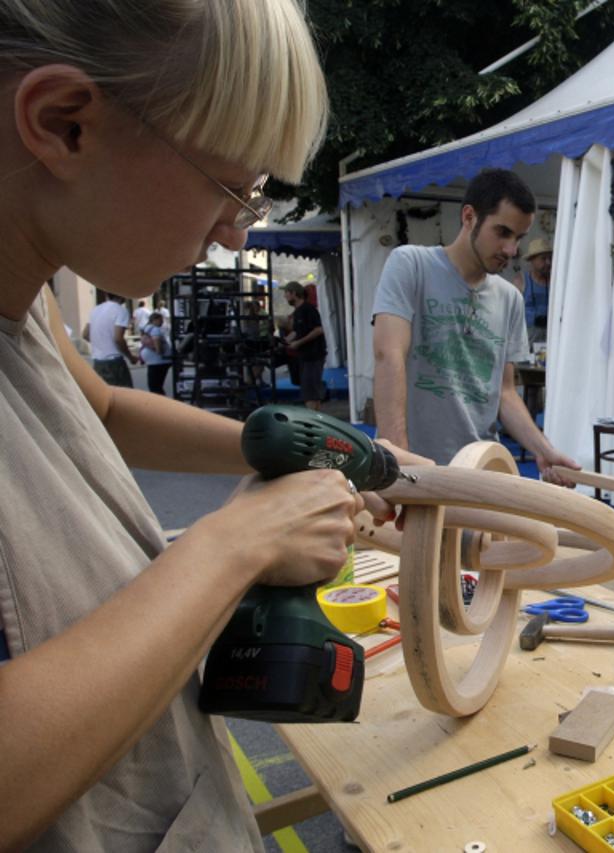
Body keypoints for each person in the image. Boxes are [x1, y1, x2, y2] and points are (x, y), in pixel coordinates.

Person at [0, 2, 429, 848]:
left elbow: (106, 408)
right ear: (65, 125)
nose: (237, 233)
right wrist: (237, 542)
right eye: (233, 188)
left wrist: (299, 447)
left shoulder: (31, 302)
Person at [372, 168, 579, 482]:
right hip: (415, 467)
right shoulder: (411, 265)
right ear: (469, 217)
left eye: (518, 238)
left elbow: (505, 394)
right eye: (503, 233)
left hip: (481, 470)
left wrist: (543, 449)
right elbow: (388, 356)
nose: (511, 250)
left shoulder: (510, 298)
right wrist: (394, 456)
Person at [282, 280, 326, 410]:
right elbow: (297, 332)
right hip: (305, 356)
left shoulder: (309, 309)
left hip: (313, 355)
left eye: (286, 293)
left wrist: (298, 343)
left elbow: (318, 330)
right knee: (310, 391)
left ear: (294, 293)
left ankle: (314, 421)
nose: (285, 297)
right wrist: (285, 341)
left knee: (310, 392)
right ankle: (316, 419)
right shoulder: (298, 312)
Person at [83, 291, 138, 386]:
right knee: (123, 396)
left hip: (98, 362)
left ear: (106, 295)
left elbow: (85, 334)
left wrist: (101, 343)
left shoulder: (95, 310)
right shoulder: (121, 310)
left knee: (104, 395)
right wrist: (131, 357)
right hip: (114, 362)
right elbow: (118, 338)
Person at [517, 236, 552, 345]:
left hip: (551, 336)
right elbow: (513, 312)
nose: (548, 262)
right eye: (543, 258)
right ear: (532, 260)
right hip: (529, 338)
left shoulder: (555, 282)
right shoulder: (521, 280)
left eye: (549, 258)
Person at [139, 310, 172, 395]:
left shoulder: (148, 328)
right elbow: (158, 347)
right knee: (156, 387)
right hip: (158, 361)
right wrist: (158, 350)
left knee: (155, 387)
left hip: (157, 362)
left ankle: (161, 404)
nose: (162, 322)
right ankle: (161, 404)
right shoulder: (155, 330)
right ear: (154, 320)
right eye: (160, 320)